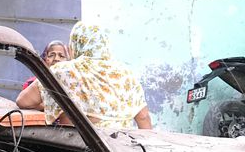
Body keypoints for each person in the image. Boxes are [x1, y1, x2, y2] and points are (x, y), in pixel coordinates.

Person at [17, 22, 152, 129]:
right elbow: (143, 117)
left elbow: (23, 101)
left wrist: (53, 105)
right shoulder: (126, 73)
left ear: (75, 44)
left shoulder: (64, 71)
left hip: (78, 150)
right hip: (120, 149)